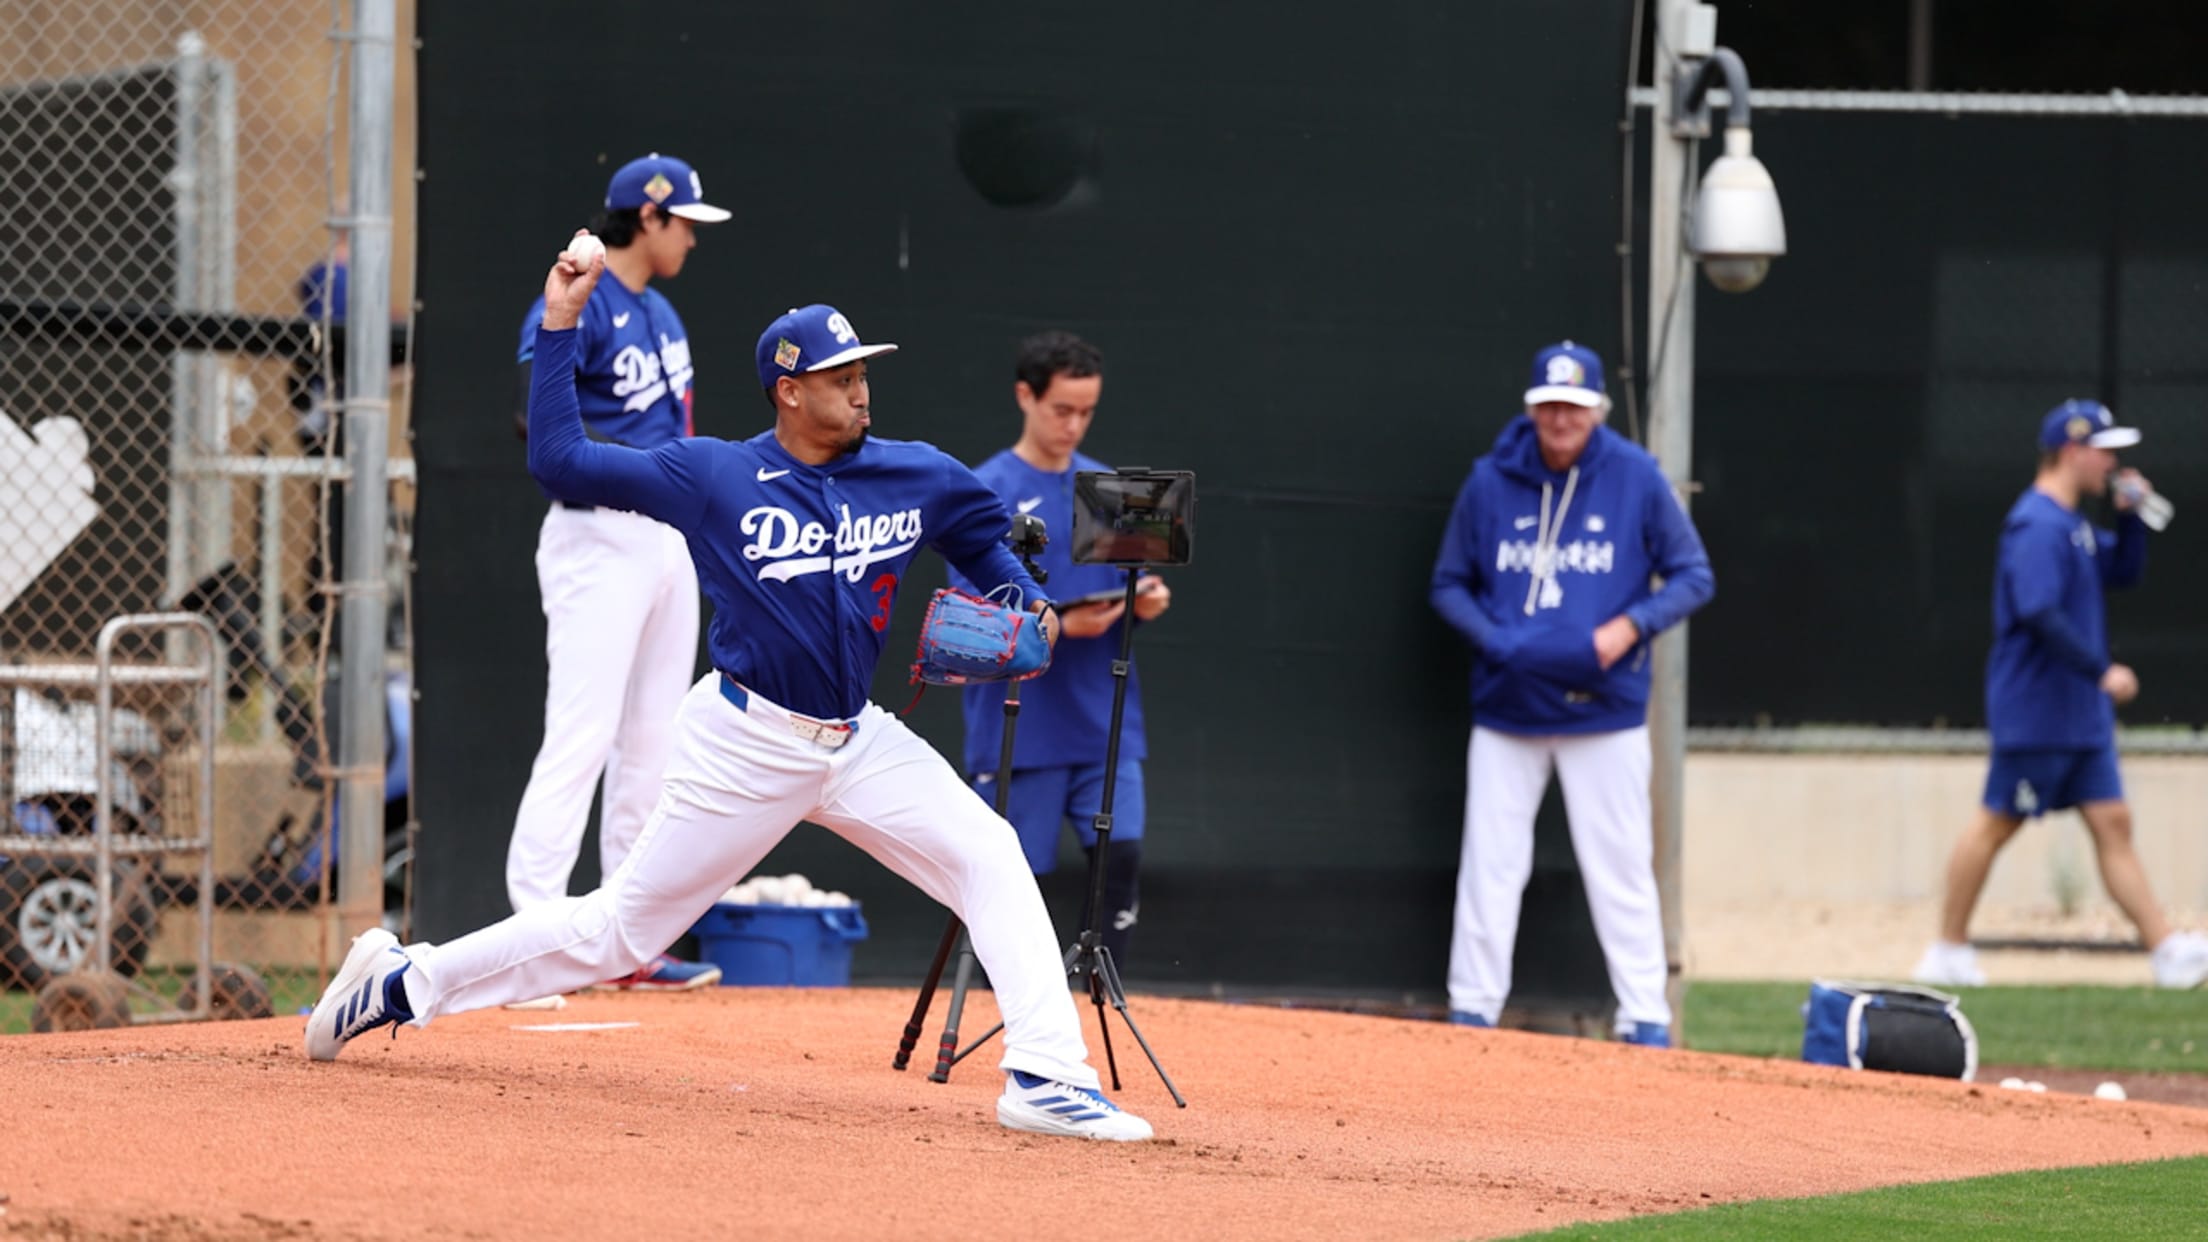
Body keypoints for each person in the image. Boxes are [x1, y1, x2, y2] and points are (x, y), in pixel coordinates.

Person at [302, 249, 1155, 1142]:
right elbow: (559, 461)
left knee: (989, 854)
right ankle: (400, 982)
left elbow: (990, 554)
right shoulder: (712, 476)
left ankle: (1045, 1076)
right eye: (841, 377)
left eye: (864, 372)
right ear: (788, 390)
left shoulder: (919, 475)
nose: (863, 391)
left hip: (858, 741)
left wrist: (1032, 610)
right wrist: (559, 326)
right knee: (617, 934)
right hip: (745, 744)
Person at [1429, 341, 1715, 1046]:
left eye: (1576, 408)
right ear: (1531, 410)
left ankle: (1645, 1015)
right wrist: (1496, 640)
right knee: (1491, 863)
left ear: (1597, 412)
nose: (1562, 420)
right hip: (1508, 705)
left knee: (1620, 864)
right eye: (1551, 406)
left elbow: (1692, 575)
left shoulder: (1635, 476)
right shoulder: (1490, 481)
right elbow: (1448, 584)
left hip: (1604, 708)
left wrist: (1629, 628)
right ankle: (1473, 1010)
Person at [504, 154, 730, 991]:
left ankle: (624, 942)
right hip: (598, 534)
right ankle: (534, 931)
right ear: (649, 216)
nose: (692, 242)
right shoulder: (582, 298)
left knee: (652, 744)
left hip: (665, 536)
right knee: (582, 736)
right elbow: (536, 409)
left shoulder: (663, 311)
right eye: (686, 225)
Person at [1915, 400, 2208, 990]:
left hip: (2080, 717)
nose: (2113, 463)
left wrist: (2128, 517)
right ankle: (1946, 948)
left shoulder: (2072, 526)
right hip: (2037, 710)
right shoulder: (2036, 525)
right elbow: (2038, 610)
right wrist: (2100, 670)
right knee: (1997, 823)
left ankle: (2166, 952)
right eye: (2105, 451)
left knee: (2113, 821)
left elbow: (2122, 572)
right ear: (2072, 451)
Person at [954, 331, 1170, 966]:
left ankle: (1101, 1010)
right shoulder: (982, 489)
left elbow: (1128, 592)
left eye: (1087, 411)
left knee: (1121, 861)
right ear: (1026, 396)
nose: (1074, 425)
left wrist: (1144, 603)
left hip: (1104, 722)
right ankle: (1020, 1030)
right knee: (1019, 884)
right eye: (1061, 410)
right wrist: (1053, 629)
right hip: (1020, 729)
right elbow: (966, 624)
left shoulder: (1109, 487)